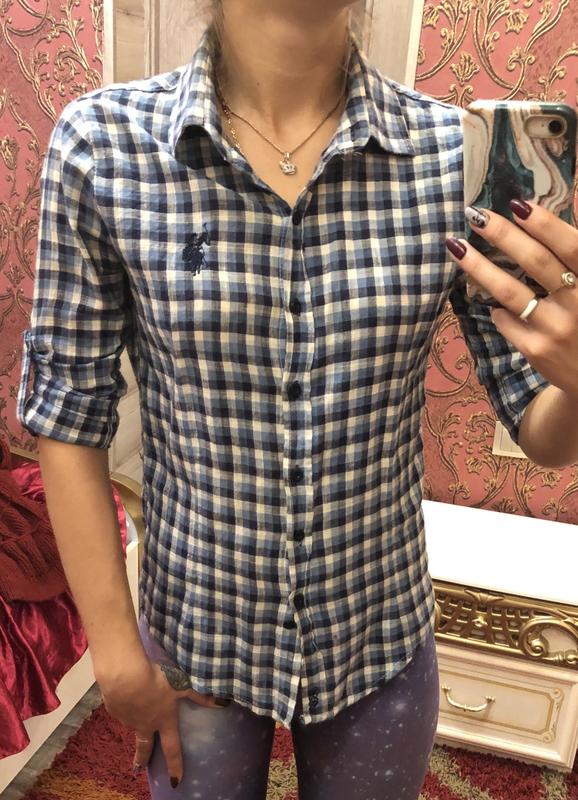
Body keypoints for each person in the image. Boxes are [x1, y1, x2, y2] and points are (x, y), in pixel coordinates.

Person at [16, 0, 578, 798]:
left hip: (377, 633)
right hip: (196, 635)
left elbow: (542, 430)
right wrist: (112, 653)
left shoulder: (454, 154)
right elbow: (68, 412)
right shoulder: (104, 145)